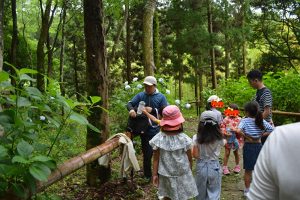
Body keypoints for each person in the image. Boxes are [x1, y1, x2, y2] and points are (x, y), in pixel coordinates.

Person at [148, 105, 198, 200]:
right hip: (182, 173)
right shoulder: (184, 139)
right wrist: (189, 171)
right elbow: (189, 158)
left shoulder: (159, 139)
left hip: (166, 174)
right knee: (182, 196)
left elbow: (155, 159)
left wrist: (154, 174)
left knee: (167, 195)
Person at [127, 76, 168, 180]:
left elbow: (166, 111)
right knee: (147, 154)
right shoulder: (141, 95)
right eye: (145, 86)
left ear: (154, 86)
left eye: (149, 86)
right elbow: (130, 103)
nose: (147, 88)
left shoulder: (161, 97)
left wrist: (153, 110)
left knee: (159, 153)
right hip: (144, 130)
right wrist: (131, 110)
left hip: (157, 130)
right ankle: (147, 175)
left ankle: (159, 174)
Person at [230, 101, 274, 197]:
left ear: (247, 112)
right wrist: (261, 135)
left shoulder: (244, 121)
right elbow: (272, 129)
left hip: (248, 147)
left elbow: (238, 130)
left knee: (248, 170)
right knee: (259, 169)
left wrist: (246, 136)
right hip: (259, 146)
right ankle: (259, 190)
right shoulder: (261, 120)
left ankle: (247, 190)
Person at [248, 122, 300, 200]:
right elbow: (271, 128)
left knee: (250, 169)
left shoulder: (282, 136)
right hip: (259, 143)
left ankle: (247, 189)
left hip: (253, 144)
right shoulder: (281, 135)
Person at [192, 110, 226, 200]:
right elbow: (224, 143)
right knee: (214, 191)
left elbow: (195, 154)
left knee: (200, 191)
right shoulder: (219, 138)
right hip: (214, 166)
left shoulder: (196, 138)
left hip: (201, 166)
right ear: (216, 125)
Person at [247, 69, 273, 144]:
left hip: (263, 127)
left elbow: (267, 111)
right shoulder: (258, 92)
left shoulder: (266, 92)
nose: (250, 84)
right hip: (259, 126)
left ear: (255, 80)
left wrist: (255, 122)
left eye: (250, 82)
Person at [220, 104, 242, 175]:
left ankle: (237, 166)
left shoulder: (239, 119)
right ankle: (225, 167)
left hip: (236, 138)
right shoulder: (226, 119)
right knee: (227, 153)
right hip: (228, 138)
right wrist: (225, 133)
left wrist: (235, 130)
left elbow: (241, 129)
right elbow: (222, 127)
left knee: (236, 152)